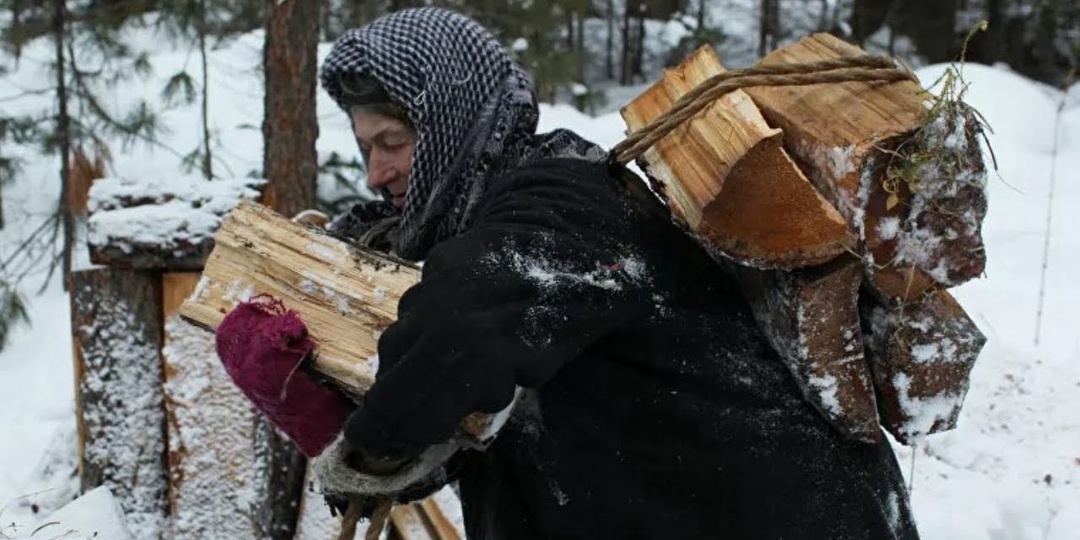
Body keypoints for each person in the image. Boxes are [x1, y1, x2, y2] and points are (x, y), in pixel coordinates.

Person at [219, 7, 921, 539]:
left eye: (393, 142)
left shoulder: (566, 200)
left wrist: (364, 452)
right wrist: (322, 398)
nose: (377, 172)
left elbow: (460, 333)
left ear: (451, 121)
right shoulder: (505, 222)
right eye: (366, 148)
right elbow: (474, 421)